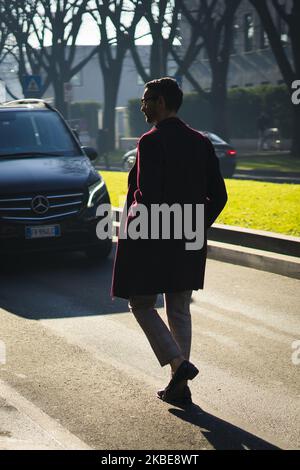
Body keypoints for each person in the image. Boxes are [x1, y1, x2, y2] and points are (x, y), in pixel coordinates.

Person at [111, 77, 227, 406]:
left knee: (141, 304)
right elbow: (219, 195)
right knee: (178, 309)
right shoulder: (201, 141)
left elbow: (147, 199)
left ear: (161, 102)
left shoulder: (150, 141)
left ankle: (178, 365)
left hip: (154, 238)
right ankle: (180, 385)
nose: (142, 106)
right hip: (188, 238)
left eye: (147, 100)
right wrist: (196, 225)